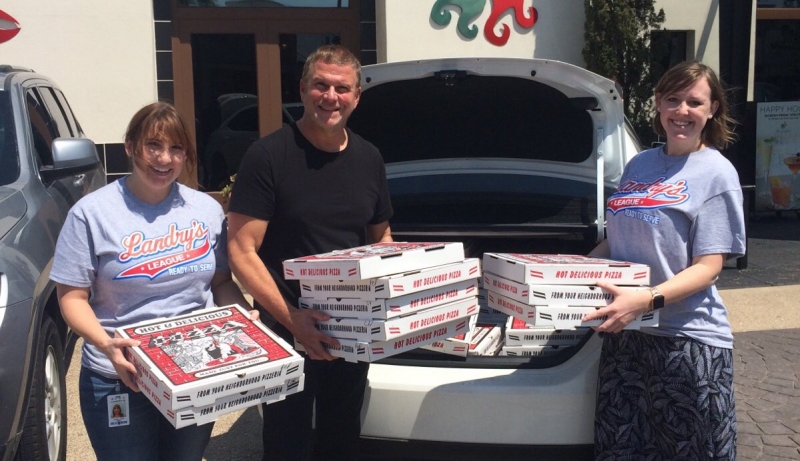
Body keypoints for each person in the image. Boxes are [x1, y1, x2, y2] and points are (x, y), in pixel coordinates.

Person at [51, 101, 253, 461]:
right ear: (130, 146)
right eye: (153, 146)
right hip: (120, 373)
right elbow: (71, 298)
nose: (164, 158)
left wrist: (242, 317)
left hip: (193, 369)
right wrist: (106, 344)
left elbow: (221, 283)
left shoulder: (206, 210)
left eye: (176, 148)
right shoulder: (90, 214)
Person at [227, 44, 393, 461]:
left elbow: (381, 238)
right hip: (286, 329)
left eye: (342, 88)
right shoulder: (268, 156)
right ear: (302, 89)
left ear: (357, 96)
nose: (330, 97)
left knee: (342, 438)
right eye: (321, 85)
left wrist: (397, 301)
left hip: (352, 328)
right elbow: (241, 250)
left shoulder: (369, 158)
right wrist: (294, 320)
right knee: (287, 444)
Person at [583, 60, 745, 460]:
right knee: (622, 450)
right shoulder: (640, 164)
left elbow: (709, 267)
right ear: (658, 103)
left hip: (686, 341)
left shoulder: (717, 173)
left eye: (695, 102)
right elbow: (617, 240)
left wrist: (647, 298)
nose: (682, 111)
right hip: (627, 335)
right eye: (673, 99)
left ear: (713, 109)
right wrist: (563, 273)